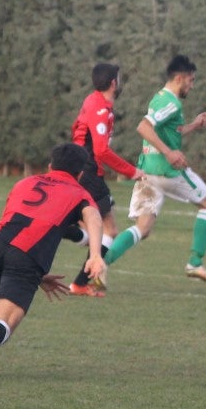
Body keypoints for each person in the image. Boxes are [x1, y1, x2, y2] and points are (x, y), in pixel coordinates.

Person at [0, 142, 105, 380]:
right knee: (6, 322)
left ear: (50, 166)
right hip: (26, 255)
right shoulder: (79, 193)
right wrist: (95, 255)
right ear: (80, 173)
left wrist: (36, 276)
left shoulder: (24, 183)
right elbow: (93, 217)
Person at [105, 54, 206, 282]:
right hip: (167, 170)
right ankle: (195, 262)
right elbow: (143, 127)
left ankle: (100, 263)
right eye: (191, 80)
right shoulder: (172, 103)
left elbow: (170, 132)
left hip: (147, 170)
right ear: (179, 78)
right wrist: (169, 153)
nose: (192, 85)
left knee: (143, 228)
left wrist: (194, 125)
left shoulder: (159, 98)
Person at [66, 62, 143, 298]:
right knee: (106, 230)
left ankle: (80, 282)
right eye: (119, 78)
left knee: (104, 229)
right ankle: (65, 234)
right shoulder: (100, 108)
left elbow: (78, 130)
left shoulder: (93, 101)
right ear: (113, 83)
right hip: (89, 172)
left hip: (84, 169)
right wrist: (131, 171)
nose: (120, 82)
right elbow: (100, 150)